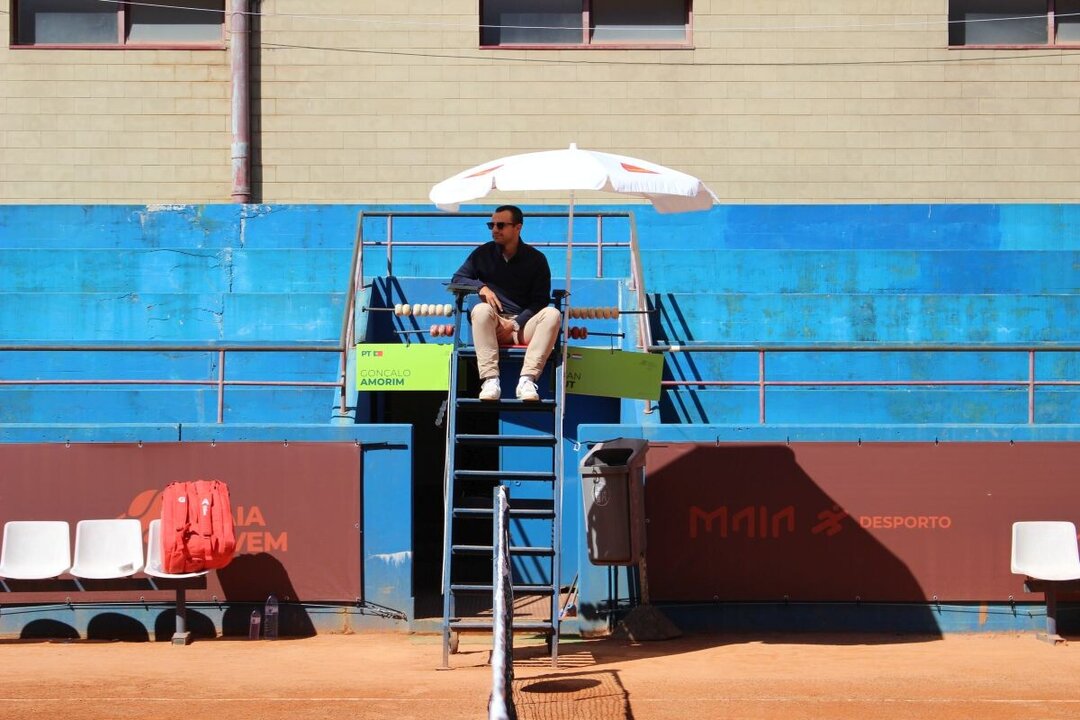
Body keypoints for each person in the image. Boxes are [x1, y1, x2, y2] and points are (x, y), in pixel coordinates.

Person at [451, 205, 561, 401]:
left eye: (500, 225)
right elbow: (457, 279)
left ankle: (527, 380)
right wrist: (481, 287)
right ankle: (490, 380)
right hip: (495, 325)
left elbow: (540, 301)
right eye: (491, 225)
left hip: (524, 327)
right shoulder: (482, 254)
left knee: (553, 314)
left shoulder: (536, 259)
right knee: (481, 310)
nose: (495, 229)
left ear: (518, 228)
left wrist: (516, 323)